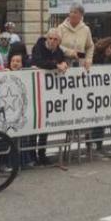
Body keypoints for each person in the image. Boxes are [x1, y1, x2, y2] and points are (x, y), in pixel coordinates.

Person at [31, 29, 68, 165]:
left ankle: (42, 153)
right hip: (35, 87)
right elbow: (38, 61)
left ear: (59, 41)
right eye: (50, 38)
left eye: (55, 39)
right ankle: (31, 154)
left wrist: (63, 64)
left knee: (45, 124)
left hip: (48, 91)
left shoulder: (58, 51)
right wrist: (56, 65)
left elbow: (62, 61)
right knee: (34, 124)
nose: (52, 41)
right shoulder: (39, 46)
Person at [90, 37, 111, 154]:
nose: (109, 50)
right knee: (98, 120)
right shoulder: (96, 56)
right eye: (108, 47)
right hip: (97, 93)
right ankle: (97, 144)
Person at [58, 3, 94, 70]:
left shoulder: (86, 29)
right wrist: (69, 52)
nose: (72, 15)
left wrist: (88, 59)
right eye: (70, 12)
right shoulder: (61, 28)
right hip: (63, 64)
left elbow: (90, 46)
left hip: (80, 65)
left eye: (75, 12)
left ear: (81, 15)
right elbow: (56, 45)